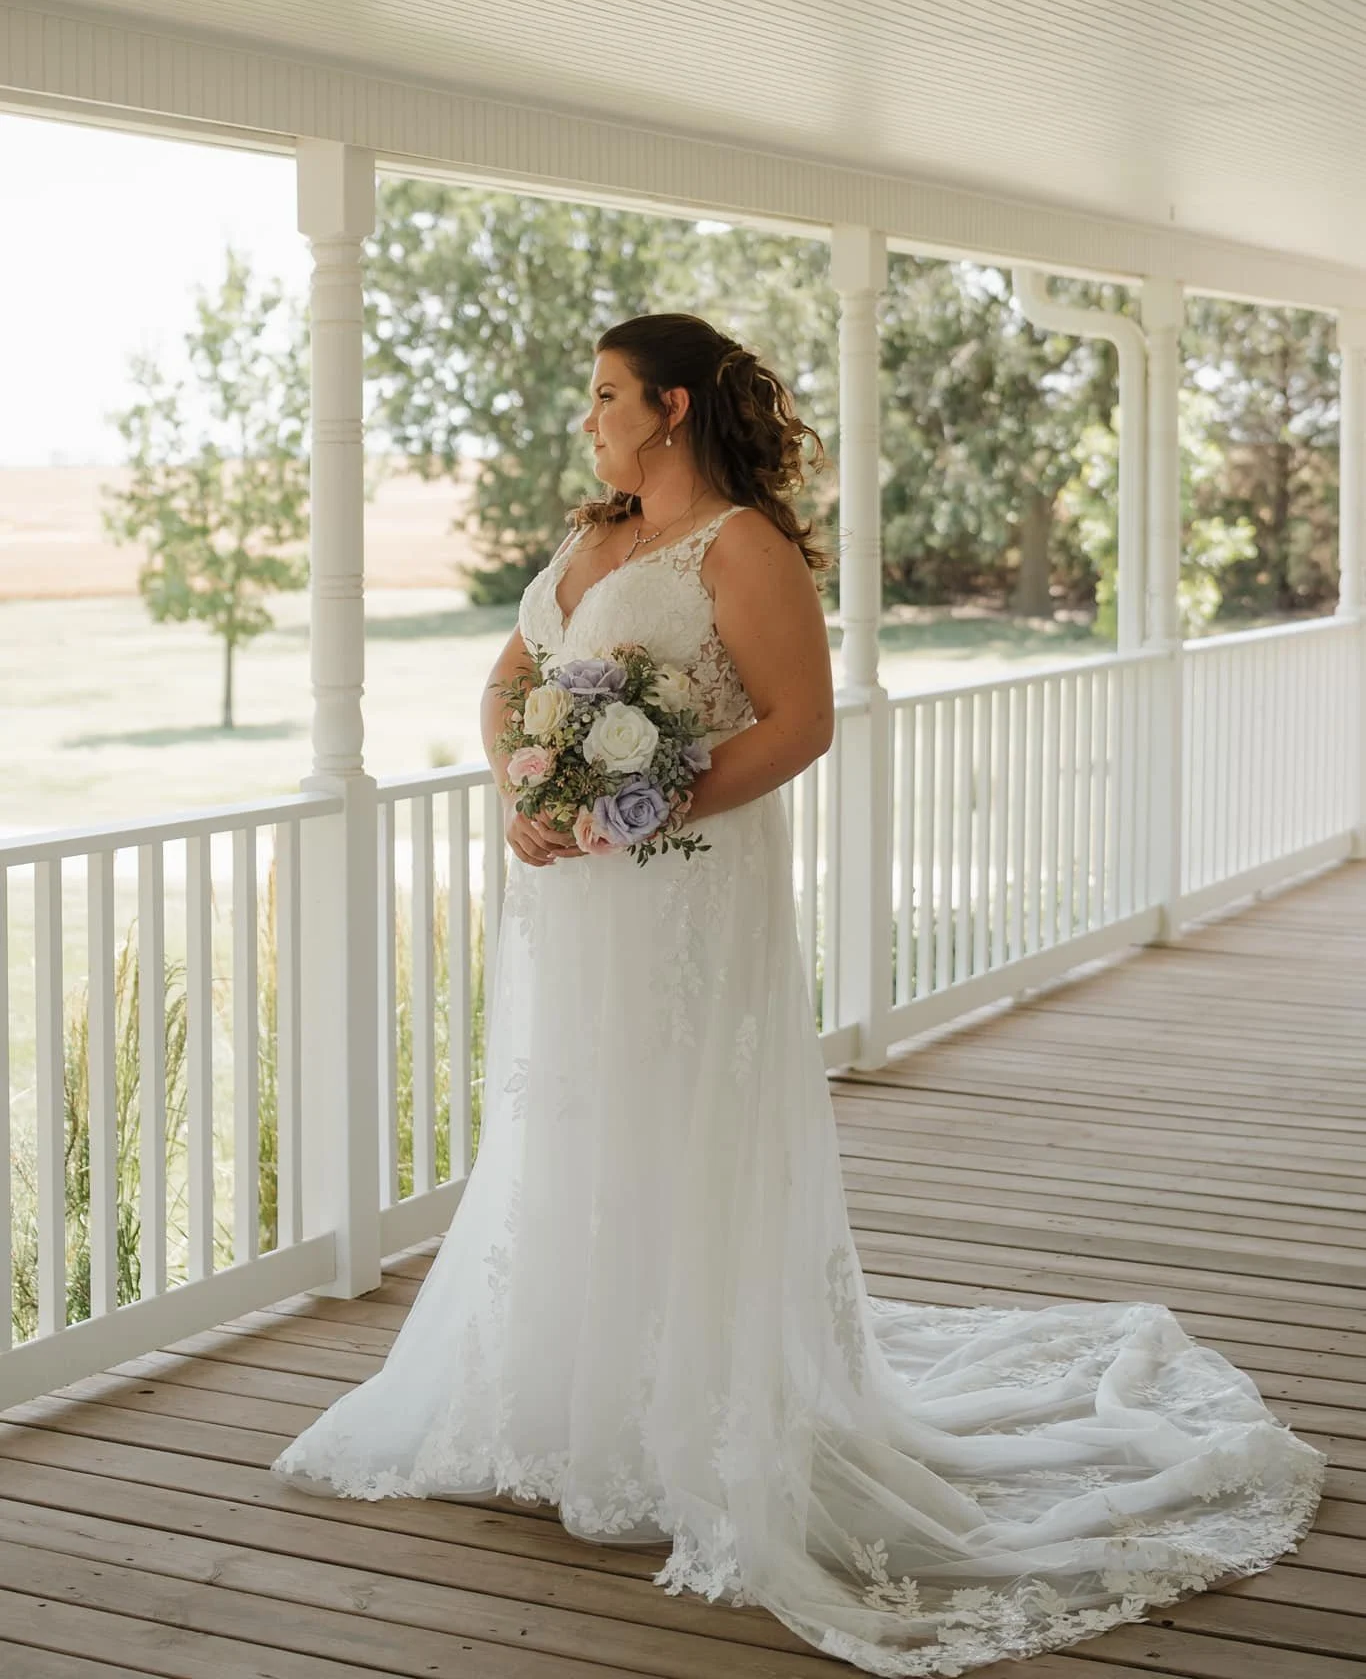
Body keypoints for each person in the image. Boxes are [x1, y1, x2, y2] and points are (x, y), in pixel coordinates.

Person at [273, 312, 1326, 1676]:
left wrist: (637, 807)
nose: (584, 417)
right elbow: (509, 680)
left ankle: (692, 1419)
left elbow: (797, 723)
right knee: (576, 1124)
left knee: (682, 1128)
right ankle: (567, 1407)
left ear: (666, 406)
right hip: (572, 899)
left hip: (684, 892)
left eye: (601, 394)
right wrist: (526, 789)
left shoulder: (742, 548)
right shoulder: (590, 538)